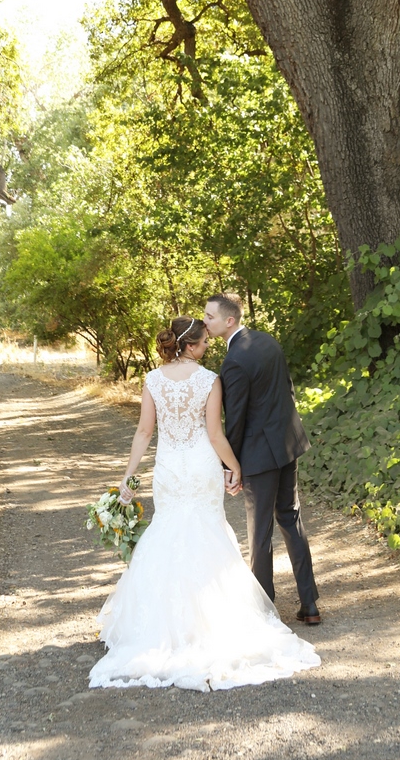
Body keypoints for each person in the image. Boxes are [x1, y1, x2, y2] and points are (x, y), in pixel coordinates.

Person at [88, 316, 320, 691]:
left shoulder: (152, 379)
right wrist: (236, 467)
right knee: (207, 530)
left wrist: (128, 476)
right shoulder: (208, 380)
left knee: (168, 529)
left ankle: (158, 626)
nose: (208, 347)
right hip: (199, 466)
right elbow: (214, 434)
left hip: (167, 467)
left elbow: (144, 431)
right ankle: (215, 619)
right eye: (204, 343)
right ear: (192, 345)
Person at [203, 292, 321, 626]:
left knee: (259, 533)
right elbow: (288, 389)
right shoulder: (267, 341)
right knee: (291, 518)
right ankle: (310, 604)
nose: (205, 322)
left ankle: (265, 609)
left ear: (229, 320)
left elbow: (235, 419)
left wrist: (231, 466)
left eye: (210, 317)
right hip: (288, 444)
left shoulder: (234, 361)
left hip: (258, 455)